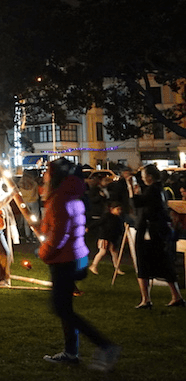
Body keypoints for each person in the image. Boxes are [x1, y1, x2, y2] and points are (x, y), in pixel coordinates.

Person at [39, 158, 121, 371]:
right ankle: (71, 352)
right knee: (65, 308)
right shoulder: (72, 193)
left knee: (62, 308)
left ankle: (105, 346)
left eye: (47, 172)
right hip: (75, 256)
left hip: (64, 259)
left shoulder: (60, 198)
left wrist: (44, 252)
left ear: (55, 175)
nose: (45, 176)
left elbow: (59, 234)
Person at [130, 164, 184, 309]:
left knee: (144, 263)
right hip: (157, 231)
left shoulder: (153, 190)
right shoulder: (159, 189)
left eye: (143, 175)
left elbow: (136, 203)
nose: (142, 178)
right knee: (164, 263)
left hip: (149, 231)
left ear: (149, 177)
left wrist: (131, 190)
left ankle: (146, 299)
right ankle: (175, 296)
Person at [88, 201, 125, 276]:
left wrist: (122, 234)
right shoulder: (106, 216)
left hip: (112, 238)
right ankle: (93, 266)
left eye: (120, 209)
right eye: (117, 209)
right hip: (104, 237)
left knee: (114, 253)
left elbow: (118, 228)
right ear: (112, 209)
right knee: (102, 251)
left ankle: (117, 268)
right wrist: (89, 228)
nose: (119, 211)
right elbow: (98, 222)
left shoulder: (118, 219)